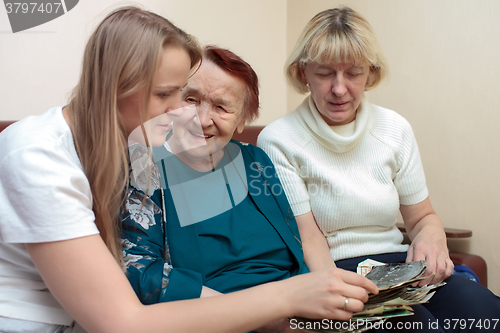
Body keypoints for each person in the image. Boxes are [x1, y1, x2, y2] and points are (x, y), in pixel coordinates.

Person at [0, 6, 378, 333]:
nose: (186, 113)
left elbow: (301, 241)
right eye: (171, 95)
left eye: (180, 94)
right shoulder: (37, 155)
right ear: (117, 84)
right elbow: (125, 318)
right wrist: (287, 300)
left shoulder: (131, 147)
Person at [257, 6, 500, 332]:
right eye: (325, 73)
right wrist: (338, 297)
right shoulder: (279, 139)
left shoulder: (394, 129)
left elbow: (422, 217)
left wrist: (432, 240)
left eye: (353, 73)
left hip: (400, 265)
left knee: (485, 313)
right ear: (303, 73)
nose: (340, 89)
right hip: (335, 270)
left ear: (370, 73)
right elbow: (309, 239)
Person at [121, 45, 379, 333]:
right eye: (191, 100)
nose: (203, 119)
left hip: (306, 311)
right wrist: (268, 318)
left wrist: (337, 295)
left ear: (242, 119)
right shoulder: (146, 169)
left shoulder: (256, 160)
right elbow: (141, 272)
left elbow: (303, 238)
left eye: (221, 107)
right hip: (228, 320)